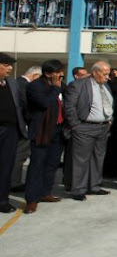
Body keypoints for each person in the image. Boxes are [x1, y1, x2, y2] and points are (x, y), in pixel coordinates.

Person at [64, 61, 114, 201]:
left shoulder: (105, 86)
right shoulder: (79, 85)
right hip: (84, 127)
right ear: (95, 72)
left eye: (108, 74)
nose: (107, 77)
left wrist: (110, 119)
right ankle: (78, 189)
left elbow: (109, 104)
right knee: (81, 160)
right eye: (105, 74)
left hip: (103, 127)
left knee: (98, 158)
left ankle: (94, 186)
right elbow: (69, 107)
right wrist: (75, 125)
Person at [24, 59, 66, 214]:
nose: (60, 75)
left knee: (52, 163)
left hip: (58, 129)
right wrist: (55, 89)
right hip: (42, 131)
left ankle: (45, 192)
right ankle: (31, 199)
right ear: (48, 73)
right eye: (57, 72)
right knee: (37, 165)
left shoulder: (61, 86)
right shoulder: (35, 86)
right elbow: (44, 103)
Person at [0, 53, 26, 213]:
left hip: (10, 131)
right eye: (6, 64)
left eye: (10, 65)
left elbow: (20, 104)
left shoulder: (12, 83)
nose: (10, 68)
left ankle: (3, 200)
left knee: (6, 166)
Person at [10, 65, 40, 193]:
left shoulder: (15, 83)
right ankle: (14, 182)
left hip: (15, 126)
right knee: (20, 154)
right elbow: (25, 107)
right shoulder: (25, 86)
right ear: (35, 76)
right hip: (23, 126)